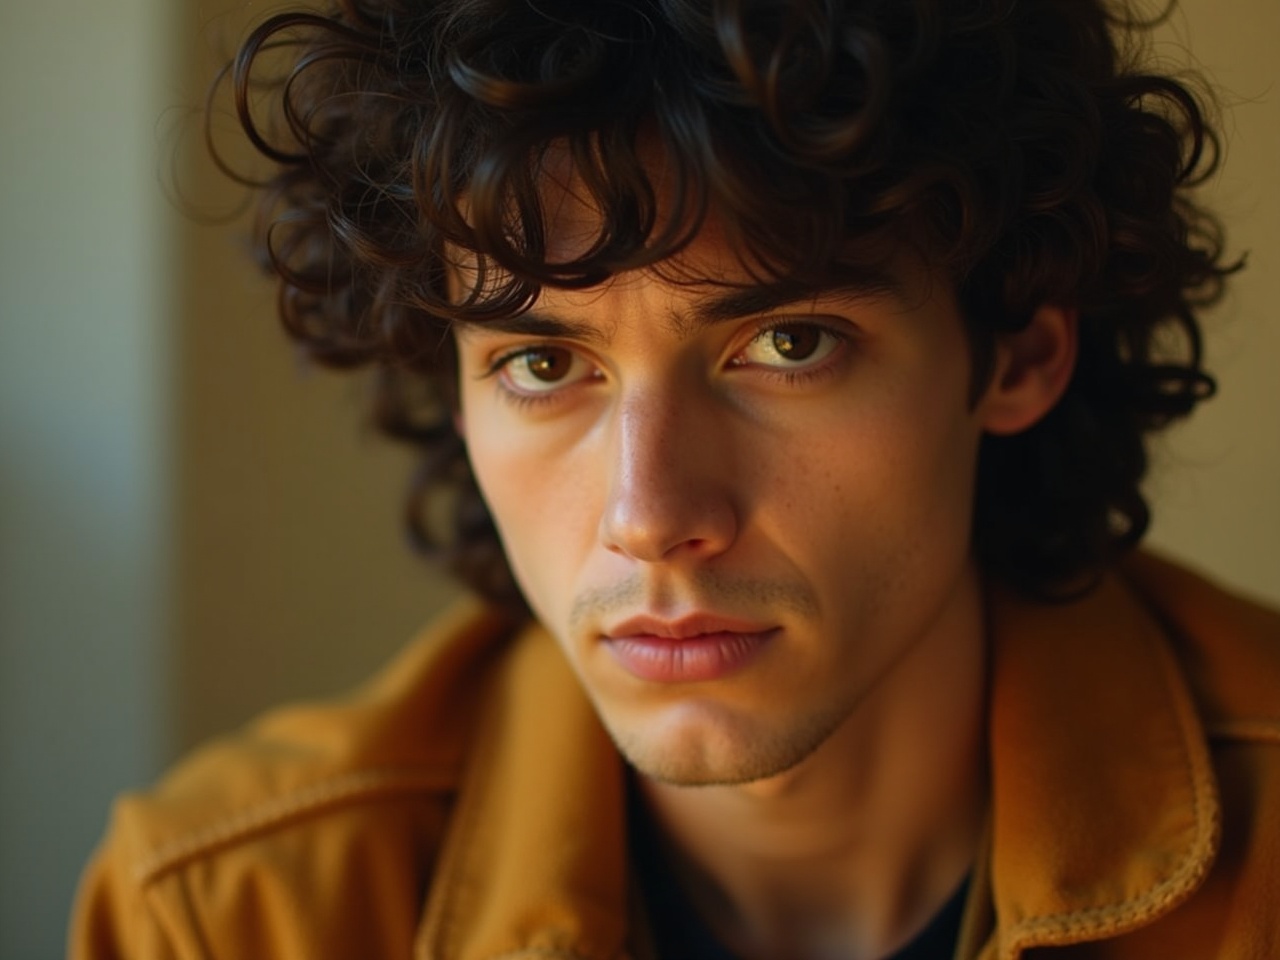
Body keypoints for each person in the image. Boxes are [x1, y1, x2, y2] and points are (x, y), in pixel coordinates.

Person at [72, 0, 1280, 957]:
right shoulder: (227, 920)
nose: (649, 517)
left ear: (1015, 350)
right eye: (545, 363)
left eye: (788, 346)